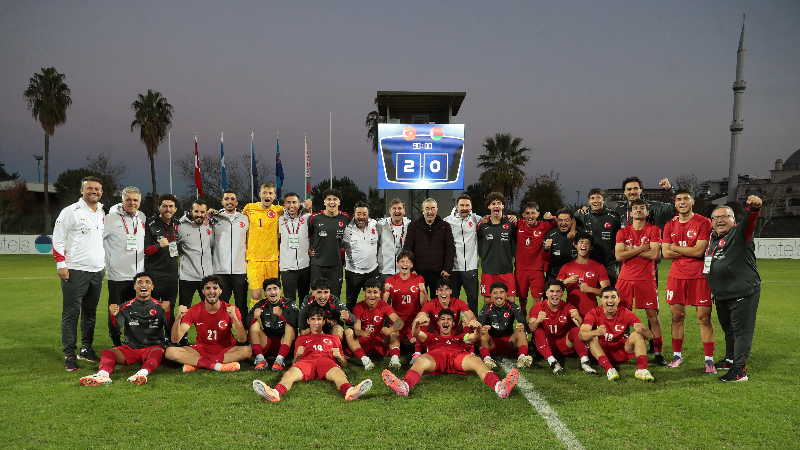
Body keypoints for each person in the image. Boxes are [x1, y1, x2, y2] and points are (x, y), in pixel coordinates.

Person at [381, 309, 519, 398]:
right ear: (439, 323)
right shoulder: (431, 337)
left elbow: (474, 338)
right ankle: (405, 386)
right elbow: (416, 334)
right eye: (443, 319)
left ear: (453, 324)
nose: (446, 321)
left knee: (477, 361)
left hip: (457, 357)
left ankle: (499, 387)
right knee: (421, 360)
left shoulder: (459, 337)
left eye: (449, 319)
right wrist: (416, 324)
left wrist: (477, 329)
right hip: (436, 358)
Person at [253, 305, 373, 402]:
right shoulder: (301, 339)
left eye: (319, 319)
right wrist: (296, 356)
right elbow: (294, 362)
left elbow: (344, 364)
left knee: (339, 375)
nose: (316, 322)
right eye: (313, 319)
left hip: (326, 362)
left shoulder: (333, 339)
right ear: (308, 321)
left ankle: (350, 391)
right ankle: (275, 393)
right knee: (288, 375)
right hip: (306, 362)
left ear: (324, 321)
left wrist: (340, 356)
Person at [705, 196, 762, 382]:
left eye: (725, 216)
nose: (720, 220)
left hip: (742, 292)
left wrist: (754, 208)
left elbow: (750, 221)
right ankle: (730, 359)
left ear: (733, 220)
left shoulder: (739, 234)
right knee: (728, 329)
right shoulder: (713, 238)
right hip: (722, 294)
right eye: (715, 218)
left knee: (740, 332)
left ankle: (739, 371)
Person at [661, 188, 716, 373]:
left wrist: (675, 247)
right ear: (675, 203)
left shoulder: (703, 222)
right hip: (676, 276)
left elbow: (700, 251)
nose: (682, 202)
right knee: (677, 316)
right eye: (678, 199)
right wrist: (682, 249)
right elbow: (665, 253)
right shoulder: (670, 225)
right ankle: (677, 356)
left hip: (700, 276)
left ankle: (709, 360)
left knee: (704, 318)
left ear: (692, 201)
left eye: (686, 198)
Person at [79, 273, 168, 386]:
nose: (143, 285)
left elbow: (170, 330)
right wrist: (113, 316)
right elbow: (115, 332)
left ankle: (141, 374)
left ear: (152, 287)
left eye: (147, 282)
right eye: (139, 282)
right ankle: (103, 374)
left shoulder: (161, 307)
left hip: (152, 347)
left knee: (157, 352)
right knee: (107, 352)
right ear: (134, 287)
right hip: (131, 348)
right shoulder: (125, 307)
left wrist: (168, 314)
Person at [54, 176, 106, 370]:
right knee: (71, 312)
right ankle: (69, 353)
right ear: (81, 191)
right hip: (75, 269)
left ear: (102, 192)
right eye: (90, 188)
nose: (94, 191)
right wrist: (61, 264)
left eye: (97, 189)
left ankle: (86, 348)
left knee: (90, 312)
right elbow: (58, 239)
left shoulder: (101, 212)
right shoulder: (70, 212)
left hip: (97, 270)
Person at [615, 198, 666, 365]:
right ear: (630, 212)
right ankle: (619, 349)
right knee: (620, 316)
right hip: (625, 278)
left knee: (653, 316)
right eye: (635, 208)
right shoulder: (623, 231)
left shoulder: (654, 230)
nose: (638, 210)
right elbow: (619, 256)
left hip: (646, 278)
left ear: (647, 212)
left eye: (642, 208)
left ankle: (658, 353)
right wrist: (641, 249)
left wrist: (632, 250)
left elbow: (654, 255)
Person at [165, 275, 252, 372]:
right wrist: (177, 318)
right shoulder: (194, 310)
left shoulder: (230, 309)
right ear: (203, 291)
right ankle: (217, 365)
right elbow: (175, 339)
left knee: (247, 351)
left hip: (225, 349)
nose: (211, 291)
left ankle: (197, 363)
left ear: (220, 291)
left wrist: (234, 318)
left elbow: (243, 339)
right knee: (170, 351)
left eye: (215, 288)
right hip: (201, 349)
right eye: (208, 288)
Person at [579, 287, 655, 382]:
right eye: (606, 297)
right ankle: (609, 369)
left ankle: (642, 369)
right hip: (600, 350)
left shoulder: (626, 313)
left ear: (618, 300)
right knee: (592, 337)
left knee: (637, 335)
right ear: (601, 300)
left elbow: (650, 336)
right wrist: (596, 332)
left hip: (620, 350)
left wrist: (642, 331)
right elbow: (581, 336)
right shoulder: (594, 313)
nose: (610, 300)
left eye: (613, 297)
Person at [103, 186, 146, 347]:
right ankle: (116, 342)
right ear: (122, 200)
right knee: (115, 312)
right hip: (117, 276)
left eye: (135, 200)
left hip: (138, 277)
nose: (132, 203)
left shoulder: (141, 218)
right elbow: (96, 241)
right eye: (128, 199)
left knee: (135, 312)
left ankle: (133, 341)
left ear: (140, 202)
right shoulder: (110, 219)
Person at [528, 279, 596, 375]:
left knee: (576, 330)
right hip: (544, 344)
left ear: (562, 293)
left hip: (563, 344)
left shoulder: (568, 306)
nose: (555, 294)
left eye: (558, 291)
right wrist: (538, 321)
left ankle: (585, 362)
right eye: (552, 291)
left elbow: (583, 330)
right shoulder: (538, 307)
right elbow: (530, 330)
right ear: (546, 293)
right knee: (538, 331)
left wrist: (579, 318)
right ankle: (553, 362)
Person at [414, 277, 476, 363]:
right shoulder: (431, 304)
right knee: (423, 321)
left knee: (466, 322)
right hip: (436, 335)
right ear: (436, 292)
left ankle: (472, 353)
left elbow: (473, 318)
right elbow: (417, 319)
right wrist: (420, 320)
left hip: (454, 334)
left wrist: (472, 322)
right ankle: (417, 353)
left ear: (451, 291)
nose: (443, 293)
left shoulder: (458, 302)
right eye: (440, 290)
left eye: (446, 289)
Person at [345, 279, 404, 370]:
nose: (372, 295)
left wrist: (390, 329)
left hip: (379, 340)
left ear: (380, 293)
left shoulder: (384, 305)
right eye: (369, 292)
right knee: (348, 331)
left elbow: (399, 321)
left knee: (394, 331)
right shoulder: (358, 307)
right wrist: (361, 333)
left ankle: (395, 360)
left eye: (375, 292)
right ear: (364, 293)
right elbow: (356, 330)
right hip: (363, 341)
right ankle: (365, 360)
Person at [403, 198, 455, 296]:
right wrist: (411, 268)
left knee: (437, 303)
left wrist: (447, 269)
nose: (430, 211)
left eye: (432, 208)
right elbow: (408, 248)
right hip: (418, 272)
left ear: (436, 210)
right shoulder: (413, 225)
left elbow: (450, 249)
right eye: (427, 208)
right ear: (423, 210)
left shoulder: (445, 226)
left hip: (439, 273)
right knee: (417, 302)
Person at [242, 182, 283, 309]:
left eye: (270, 193)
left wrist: (307, 206)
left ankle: (272, 326)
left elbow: (295, 209)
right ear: (260, 194)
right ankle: (255, 325)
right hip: (254, 260)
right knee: (256, 296)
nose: (267, 195)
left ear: (274, 196)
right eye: (265, 193)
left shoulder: (278, 210)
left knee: (272, 296)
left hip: (272, 260)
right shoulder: (249, 208)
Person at [210, 190, 249, 319]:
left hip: (240, 270)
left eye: (232, 199)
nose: (229, 201)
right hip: (221, 270)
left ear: (236, 202)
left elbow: (250, 242)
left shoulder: (245, 218)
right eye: (226, 199)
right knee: (221, 304)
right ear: (222, 202)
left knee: (241, 304)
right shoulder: (215, 219)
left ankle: (244, 337)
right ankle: (222, 335)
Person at [143, 193, 180, 328]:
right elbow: (145, 250)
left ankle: (169, 337)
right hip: (154, 273)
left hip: (172, 274)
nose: (168, 209)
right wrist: (158, 246)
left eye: (171, 206)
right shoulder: (150, 224)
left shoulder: (177, 223)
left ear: (175, 209)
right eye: (165, 206)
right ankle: (152, 337)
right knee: (152, 307)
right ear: (159, 207)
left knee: (169, 307)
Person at [246, 277, 298, 372]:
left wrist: (282, 314)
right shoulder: (260, 304)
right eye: (269, 290)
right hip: (267, 344)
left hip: (286, 344)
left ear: (280, 290)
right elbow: (246, 324)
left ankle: (279, 360)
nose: (272, 292)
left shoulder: (289, 303)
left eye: (275, 288)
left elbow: (297, 322)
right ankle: (260, 359)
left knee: (290, 325)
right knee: (254, 325)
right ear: (265, 293)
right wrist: (254, 317)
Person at [477, 282, 532, 370]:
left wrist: (522, 325)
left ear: (506, 294)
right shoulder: (487, 308)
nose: (499, 295)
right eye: (495, 293)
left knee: (521, 331)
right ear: (491, 295)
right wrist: (482, 328)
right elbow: (479, 323)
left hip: (509, 342)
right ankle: (487, 360)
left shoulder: (512, 306)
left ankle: (522, 358)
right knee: (482, 334)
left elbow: (522, 320)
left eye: (502, 292)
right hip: (492, 343)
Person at [574, 188, 621, 286]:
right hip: (588, 262)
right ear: (589, 201)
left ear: (603, 200)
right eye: (592, 198)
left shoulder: (614, 217)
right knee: (587, 294)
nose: (595, 201)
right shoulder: (581, 215)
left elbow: (619, 239)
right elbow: (564, 221)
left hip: (608, 263)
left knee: (610, 294)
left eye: (598, 198)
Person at [382, 250, 428, 351]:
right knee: (389, 340)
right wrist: (385, 292)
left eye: (407, 262)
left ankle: (416, 354)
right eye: (402, 261)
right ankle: (395, 360)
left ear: (411, 265)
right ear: (397, 264)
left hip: (413, 320)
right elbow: (384, 304)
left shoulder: (419, 279)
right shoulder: (390, 280)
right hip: (396, 319)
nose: (405, 264)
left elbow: (423, 303)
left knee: (415, 343)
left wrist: (424, 291)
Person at [514, 201, 555, 313]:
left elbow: (561, 221)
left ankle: (535, 320)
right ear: (523, 215)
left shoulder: (543, 226)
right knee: (522, 298)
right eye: (527, 213)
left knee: (537, 298)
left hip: (537, 269)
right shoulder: (519, 224)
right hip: (520, 269)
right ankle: (523, 318)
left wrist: (551, 217)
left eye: (533, 213)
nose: (530, 216)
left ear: (538, 214)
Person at [444, 193, 481, 315]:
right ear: (457, 206)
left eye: (467, 205)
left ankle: (473, 329)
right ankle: (452, 328)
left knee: (473, 300)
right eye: (462, 205)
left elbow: (494, 218)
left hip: (471, 268)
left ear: (471, 207)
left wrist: (511, 217)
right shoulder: (447, 221)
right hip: (453, 268)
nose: (464, 208)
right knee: (453, 301)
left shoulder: (477, 219)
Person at [308, 189, 349, 299]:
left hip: (336, 265)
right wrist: (308, 248)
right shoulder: (314, 218)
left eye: (335, 199)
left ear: (339, 202)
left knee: (334, 298)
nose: (332, 202)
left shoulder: (345, 218)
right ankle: (317, 317)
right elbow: (307, 235)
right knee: (317, 297)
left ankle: (332, 317)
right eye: (329, 199)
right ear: (324, 202)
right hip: (317, 264)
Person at [557, 233, 611, 317]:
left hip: (591, 312)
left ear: (591, 247)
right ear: (576, 245)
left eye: (587, 243)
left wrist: (590, 289)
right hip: (571, 311)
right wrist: (566, 281)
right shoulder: (566, 267)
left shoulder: (599, 267)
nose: (584, 245)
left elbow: (607, 292)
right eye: (581, 242)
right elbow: (554, 289)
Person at [477, 192, 517, 302]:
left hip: (506, 269)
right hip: (488, 269)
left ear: (503, 206)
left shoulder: (511, 223)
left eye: (499, 203)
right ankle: (488, 320)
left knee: (510, 300)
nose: (496, 206)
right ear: (489, 206)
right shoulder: (482, 225)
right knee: (488, 301)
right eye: (493, 203)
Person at [343, 201, 380, 311]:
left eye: (364, 214)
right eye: (358, 214)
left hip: (372, 270)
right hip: (353, 272)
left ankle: (374, 323)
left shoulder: (376, 225)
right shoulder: (346, 229)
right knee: (351, 300)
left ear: (368, 215)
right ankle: (350, 325)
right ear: (354, 214)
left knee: (374, 299)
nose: (361, 217)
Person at [177, 199, 212, 312]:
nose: (199, 215)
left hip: (207, 277)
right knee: (184, 310)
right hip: (187, 277)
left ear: (206, 213)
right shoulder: (181, 227)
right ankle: (182, 330)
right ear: (191, 211)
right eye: (196, 211)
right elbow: (175, 245)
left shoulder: (210, 226)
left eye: (202, 212)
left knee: (210, 310)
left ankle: (209, 331)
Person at [278, 192, 311, 304]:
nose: (291, 205)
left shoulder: (307, 218)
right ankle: (291, 321)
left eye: (294, 202)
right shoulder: (279, 220)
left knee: (304, 299)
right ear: (284, 205)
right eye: (288, 202)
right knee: (289, 300)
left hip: (304, 265)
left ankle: (303, 321)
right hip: (287, 266)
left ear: (299, 204)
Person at [376, 198, 411, 285]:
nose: (397, 211)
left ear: (404, 211)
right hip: (385, 270)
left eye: (399, 208)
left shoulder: (410, 225)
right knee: (385, 298)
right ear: (390, 211)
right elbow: (375, 245)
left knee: (401, 298)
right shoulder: (381, 225)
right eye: (394, 208)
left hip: (403, 270)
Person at [543, 208, 577, 281]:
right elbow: (544, 257)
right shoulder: (550, 234)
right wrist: (546, 249)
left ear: (572, 221)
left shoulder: (578, 235)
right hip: (554, 274)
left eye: (566, 220)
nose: (563, 223)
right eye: (560, 220)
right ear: (557, 221)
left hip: (573, 275)